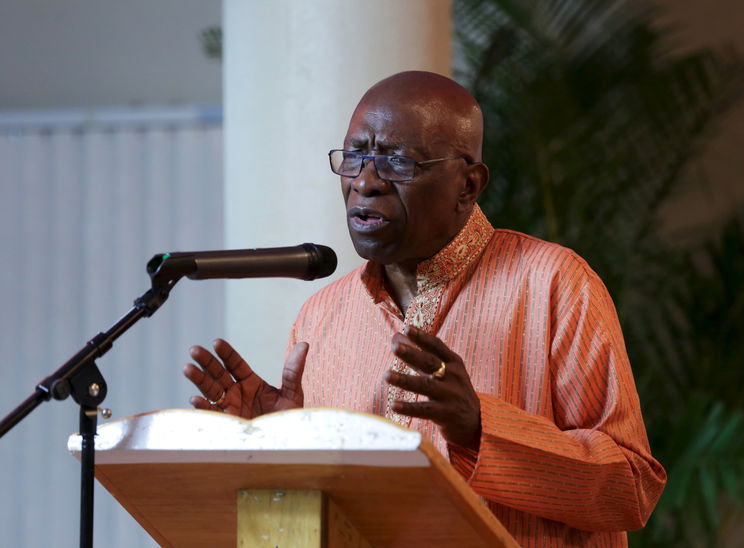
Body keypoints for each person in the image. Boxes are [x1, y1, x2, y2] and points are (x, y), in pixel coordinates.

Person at [183, 71, 666, 546]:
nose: (365, 182)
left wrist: (480, 429)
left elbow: (631, 489)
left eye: (397, 161)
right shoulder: (322, 314)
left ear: (468, 186)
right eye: (354, 156)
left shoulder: (555, 285)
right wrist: (283, 444)